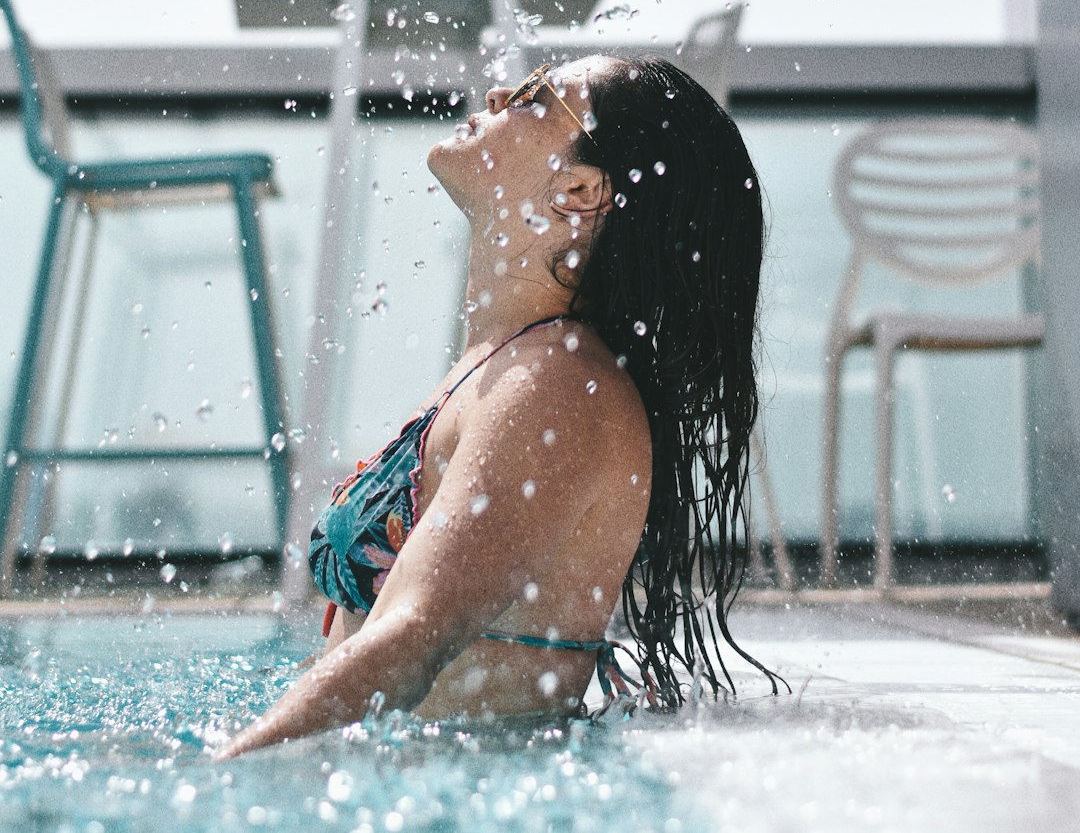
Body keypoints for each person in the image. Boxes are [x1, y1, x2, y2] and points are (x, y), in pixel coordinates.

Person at [216, 53, 769, 758]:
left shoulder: (557, 388)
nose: (500, 91)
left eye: (538, 97)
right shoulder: (511, 366)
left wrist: (223, 776)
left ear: (577, 190)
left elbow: (408, 642)